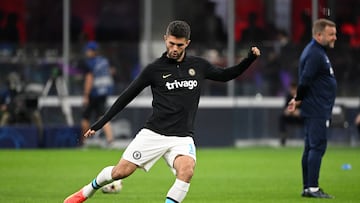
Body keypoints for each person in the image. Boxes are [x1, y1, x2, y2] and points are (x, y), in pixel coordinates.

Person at [64, 20, 260, 203]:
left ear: (187, 43)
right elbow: (125, 97)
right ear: (166, 39)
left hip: (182, 137)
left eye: (180, 45)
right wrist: (99, 124)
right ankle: (86, 191)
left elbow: (226, 75)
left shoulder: (198, 65)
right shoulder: (154, 70)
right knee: (120, 172)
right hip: (154, 133)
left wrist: (249, 59)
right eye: (172, 43)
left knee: (187, 171)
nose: (174, 49)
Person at [288, 18, 337, 199]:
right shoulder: (315, 54)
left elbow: (307, 80)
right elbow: (305, 80)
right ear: (318, 35)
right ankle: (312, 188)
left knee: (311, 147)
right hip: (317, 109)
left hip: (316, 107)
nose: (335, 37)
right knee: (316, 147)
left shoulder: (316, 52)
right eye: (331, 34)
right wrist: (299, 98)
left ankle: (309, 187)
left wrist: (298, 99)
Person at [80, 41, 114, 146]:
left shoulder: (89, 63)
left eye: (88, 50)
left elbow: (89, 79)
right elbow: (111, 72)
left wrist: (86, 95)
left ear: (93, 51)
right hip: (103, 92)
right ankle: (110, 139)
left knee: (85, 117)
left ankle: (83, 141)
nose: (87, 52)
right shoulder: (104, 61)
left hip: (93, 93)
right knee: (102, 116)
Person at [278, 82, 303, 146]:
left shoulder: (302, 96)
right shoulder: (289, 96)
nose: (293, 91)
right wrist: (292, 111)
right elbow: (286, 110)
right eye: (291, 89)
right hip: (292, 117)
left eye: (294, 89)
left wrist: (299, 112)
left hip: (302, 118)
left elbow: (302, 111)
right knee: (282, 117)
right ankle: (283, 137)